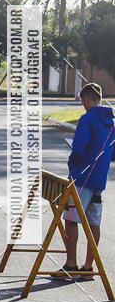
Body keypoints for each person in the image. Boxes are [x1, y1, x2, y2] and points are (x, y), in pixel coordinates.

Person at [52, 82, 115, 281]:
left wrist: (72, 164)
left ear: (87, 99)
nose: (83, 105)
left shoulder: (87, 119)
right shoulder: (112, 121)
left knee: (70, 219)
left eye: (83, 102)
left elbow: (79, 148)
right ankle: (88, 267)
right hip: (99, 179)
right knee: (93, 222)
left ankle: (71, 264)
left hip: (81, 177)